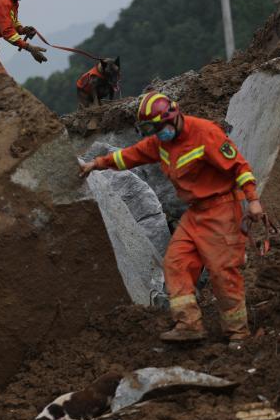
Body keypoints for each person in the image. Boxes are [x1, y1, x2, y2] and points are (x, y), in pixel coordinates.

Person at [80, 92, 263, 348]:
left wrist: (253, 200)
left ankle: (238, 334)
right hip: (196, 212)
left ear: (174, 117)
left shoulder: (205, 133)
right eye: (152, 129)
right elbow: (129, 156)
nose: (158, 133)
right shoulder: (161, 143)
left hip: (222, 209)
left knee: (223, 271)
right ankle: (188, 325)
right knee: (176, 262)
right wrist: (96, 164)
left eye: (159, 127)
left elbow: (239, 167)